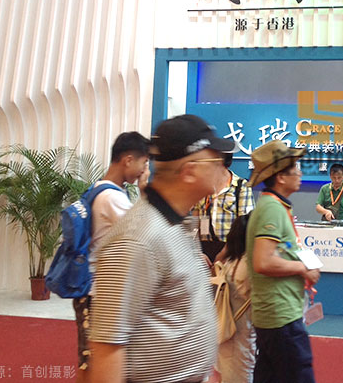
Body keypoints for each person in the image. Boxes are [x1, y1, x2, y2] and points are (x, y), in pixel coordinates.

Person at [89, 114, 235, 383]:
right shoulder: (137, 239)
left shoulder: (174, 222)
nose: (223, 168)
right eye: (216, 161)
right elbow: (108, 346)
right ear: (189, 171)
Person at [74, 131, 150, 381]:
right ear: (128, 160)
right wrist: (144, 192)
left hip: (94, 290)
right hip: (99, 293)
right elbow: (146, 234)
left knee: (90, 359)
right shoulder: (112, 197)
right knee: (94, 362)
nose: (144, 170)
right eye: (144, 163)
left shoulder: (98, 188)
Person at [246, 140, 321, 383]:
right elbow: (263, 261)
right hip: (281, 317)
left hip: (276, 315)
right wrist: (302, 268)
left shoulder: (274, 206)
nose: (300, 173)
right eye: (295, 168)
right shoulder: (272, 209)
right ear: (280, 176)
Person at [213, 214, 256, 383]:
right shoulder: (248, 265)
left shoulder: (230, 263)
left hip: (227, 334)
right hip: (239, 338)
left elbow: (219, 258)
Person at [193, 152, 255, 264]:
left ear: (220, 162)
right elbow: (193, 225)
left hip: (231, 251)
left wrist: (224, 254)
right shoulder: (201, 186)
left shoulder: (241, 187)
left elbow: (245, 227)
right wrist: (196, 252)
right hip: (203, 253)